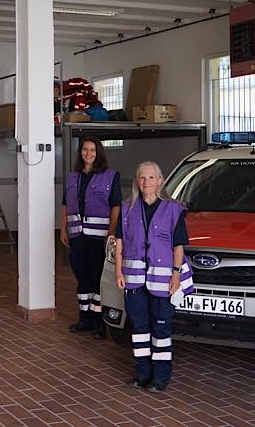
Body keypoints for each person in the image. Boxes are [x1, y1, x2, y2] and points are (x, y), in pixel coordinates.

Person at [114, 161, 194, 392]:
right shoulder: (127, 208)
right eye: (141, 177)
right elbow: (119, 242)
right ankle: (142, 374)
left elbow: (178, 246)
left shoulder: (174, 210)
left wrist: (176, 276)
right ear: (137, 182)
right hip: (134, 279)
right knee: (139, 327)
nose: (146, 182)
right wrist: (118, 270)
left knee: (160, 329)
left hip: (163, 281)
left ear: (160, 181)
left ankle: (160, 377)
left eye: (151, 178)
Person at [60, 136, 121, 339]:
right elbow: (66, 206)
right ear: (80, 153)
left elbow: (116, 207)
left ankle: (98, 323)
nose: (88, 153)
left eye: (92, 150)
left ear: (98, 153)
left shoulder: (111, 176)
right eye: (85, 150)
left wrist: (110, 233)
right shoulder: (72, 177)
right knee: (82, 277)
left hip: (99, 238)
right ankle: (84, 319)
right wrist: (63, 229)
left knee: (97, 279)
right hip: (77, 237)